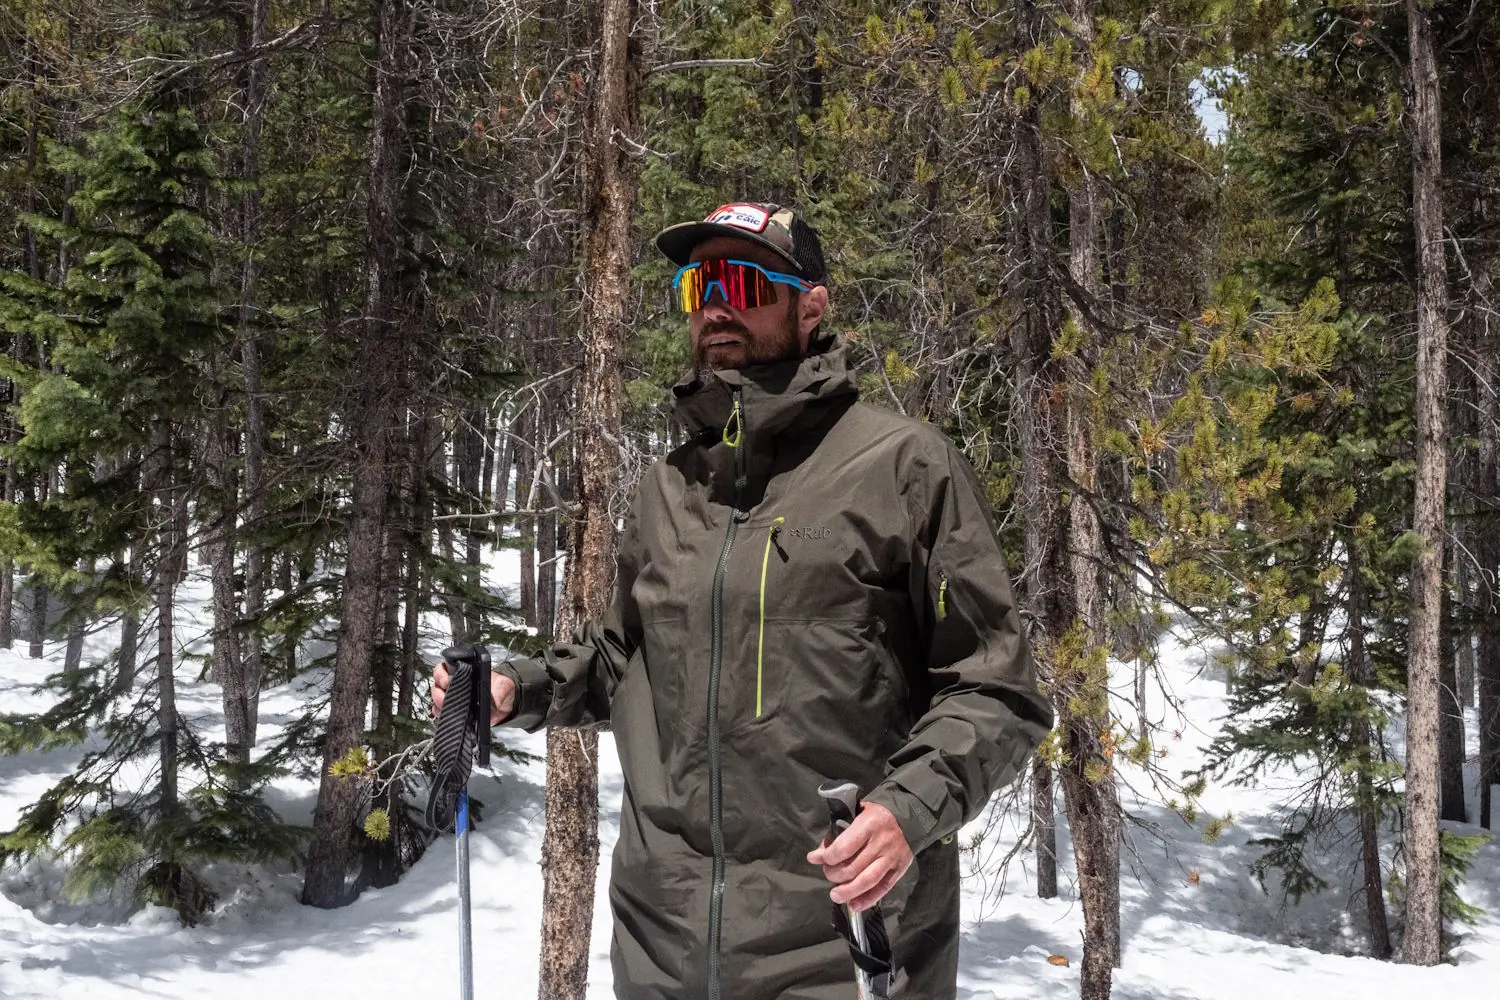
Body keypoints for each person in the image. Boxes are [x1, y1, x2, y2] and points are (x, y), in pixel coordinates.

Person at [433, 202, 1053, 999]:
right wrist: (519, 688)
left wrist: (908, 809)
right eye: (699, 285)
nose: (716, 305)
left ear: (811, 305)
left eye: (742, 280)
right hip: (662, 948)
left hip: (841, 949)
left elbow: (997, 687)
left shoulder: (903, 467)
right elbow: (626, 655)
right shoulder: (670, 484)